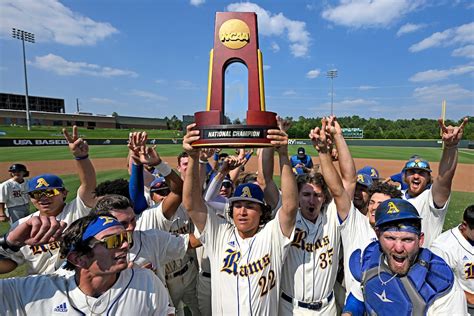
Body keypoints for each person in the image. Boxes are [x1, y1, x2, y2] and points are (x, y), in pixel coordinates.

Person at [182, 122, 298, 315]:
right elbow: (192, 204)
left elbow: (290, 206)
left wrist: (284, 155)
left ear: (262, 211)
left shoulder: (272, 236)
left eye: (250, 206)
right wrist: (194, 157)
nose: (242, 211)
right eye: (238, 205)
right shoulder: (218, 234)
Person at [0, 214, 171, 315]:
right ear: (78, 259)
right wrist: (7, 244)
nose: (126, 245)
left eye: (126, 238)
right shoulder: (32, 292)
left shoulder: (146, 281)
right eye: (114, 241)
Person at [279, 117, 354, 315]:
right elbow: (266, 181)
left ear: (324, 197)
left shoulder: (333, 216)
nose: (311, 200)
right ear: (297, 196)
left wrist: (335, 138)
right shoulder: (288, 216)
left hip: (327, 308)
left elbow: (348, 182)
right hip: (290, 308)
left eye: (317, 195)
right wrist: (281, 149)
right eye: (306, 194)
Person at [343, 198, 467, 315]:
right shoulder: (370, 259)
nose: (398, 248)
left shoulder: (438, 282)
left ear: (420, 239)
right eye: (390, 238)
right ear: (377, 235)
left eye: (407, 240)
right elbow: (357, 298)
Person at [0, 126, 97, 275]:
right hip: (42, 289)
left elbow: (88, 185)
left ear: (64, 193)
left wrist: (81, 157)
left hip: (77, 284)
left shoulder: (77, 210)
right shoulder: (21, 226)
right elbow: (12, 263)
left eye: (50, 192)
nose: (43, 198)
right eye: (36, 194)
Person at [401, 117, 467, 247]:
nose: (416, 176)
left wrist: (451, 147)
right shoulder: (397, 195)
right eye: (412, 172)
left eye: (421, 173)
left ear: (429, 178)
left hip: (423, 261)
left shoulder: (431, 198)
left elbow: (444, 178)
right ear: (404, 176)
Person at [431, 204, 474, 314]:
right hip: (464, 306)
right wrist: (468, 296)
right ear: (465, 225)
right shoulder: (444, 247)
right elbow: (437, 282)